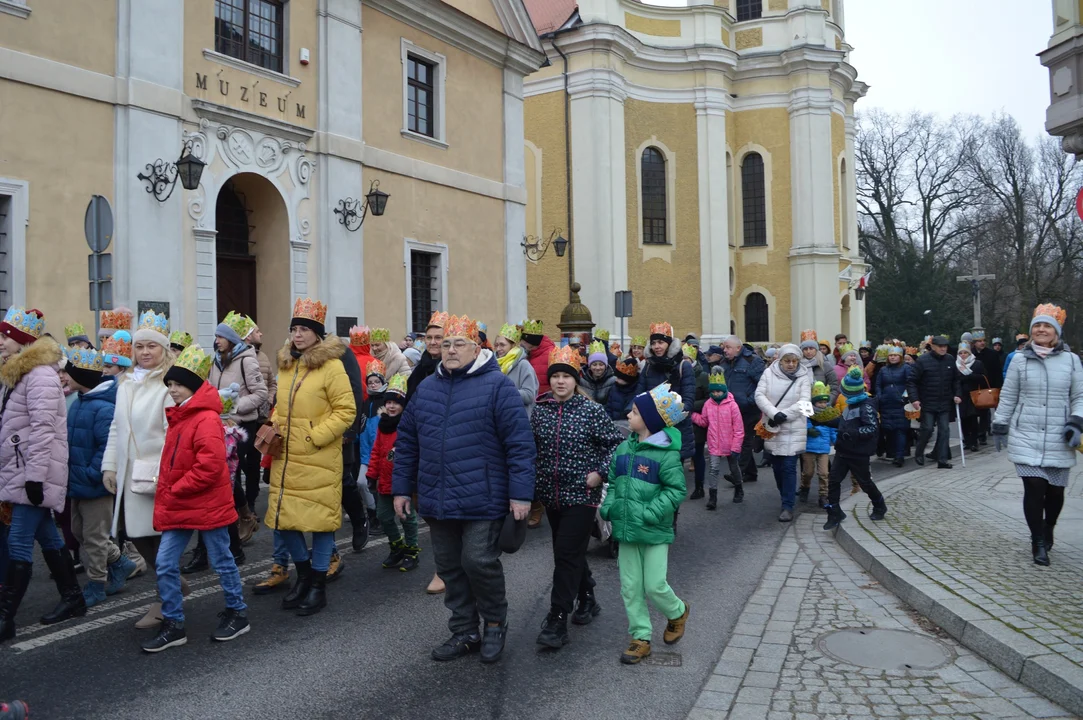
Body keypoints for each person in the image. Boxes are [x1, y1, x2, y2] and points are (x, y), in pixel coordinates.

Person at [391, 314, 535, 665]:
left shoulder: (498, 386)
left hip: (484, 495)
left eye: (459, 344)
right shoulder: (426, 387)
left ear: (476, 348)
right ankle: (465, 630)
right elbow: (407, 442)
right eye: (446, 344)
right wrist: (401, 489)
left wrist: (520, 495)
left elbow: (519, 444)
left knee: (478, 560)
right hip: (437, 497)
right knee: (451, 567)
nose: (450, 350)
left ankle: (495, 622)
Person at [141, 345, 249, 652]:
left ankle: (238, 611)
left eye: (178, 384)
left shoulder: (205, 419)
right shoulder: (181, 416)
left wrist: (175, 488)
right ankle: (174, 623)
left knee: (222, 560)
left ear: (193, 385)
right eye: (170, 385)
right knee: (164, 563)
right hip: (182, 501)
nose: (172, 390)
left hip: (204, 502)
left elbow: (209, 466)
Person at [265, 298, 356, 617]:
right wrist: (274, 423)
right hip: (287, 456)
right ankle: (303, 576)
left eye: (303, 329)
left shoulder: (332, 367)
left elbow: (347, 411)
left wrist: (314, 435)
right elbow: (281, 404)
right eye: (293, 329)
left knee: (319, 525)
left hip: (318, 456)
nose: (297, 335)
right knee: (284, 521)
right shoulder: (286, 365)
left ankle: (317, 586)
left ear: (317, 334)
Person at [532, 346, 623, 649]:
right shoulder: (540, 410)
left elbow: (615, 446)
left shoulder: (591, 411)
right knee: (566, 551)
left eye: (565, 377)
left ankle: (557, 618)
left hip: (583, 494)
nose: (560, 382)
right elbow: (529, 449)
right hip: (551, 495)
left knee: (567, 554)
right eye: (555, 376)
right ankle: (587, 595)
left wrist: (599, 472)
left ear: (575, 380)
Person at [0, 309, 81, 643]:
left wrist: (34, 478)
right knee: (47, 536)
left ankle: (5, 618)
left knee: (18, 541)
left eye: (5, 337)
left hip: (31, 474)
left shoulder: (41, 376)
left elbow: (44, 429)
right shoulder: (18, 373)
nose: (1, 343)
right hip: (19, 470)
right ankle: (73, 597)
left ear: (22, 340)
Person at [601, 382, 690, 665]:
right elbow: (613, 481)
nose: (629, 415)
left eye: (635, 412)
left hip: (654, 530)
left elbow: (676, 490)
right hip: (626, 530)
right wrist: (609, 506)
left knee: (654, 585)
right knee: (630, 587)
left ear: (649, 421)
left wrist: (651, 512)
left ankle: (677, 612)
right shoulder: (623, 448)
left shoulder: (666, 455)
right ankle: (640, 637)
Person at [103, 310, 177, 629]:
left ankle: (165, 600)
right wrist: (110, 466)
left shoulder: (168, 386)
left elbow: (173, 434)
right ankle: (172, 586)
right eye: (140, 346)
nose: (145, 352)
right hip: (130, 476)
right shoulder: (126, 384)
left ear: (164, 350)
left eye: (152, 346)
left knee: (159, 539)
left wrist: (164, 471)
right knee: (136, 535)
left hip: (156, 475)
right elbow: (116, 429)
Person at [993, 304, 1083, 566]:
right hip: (1026, 433)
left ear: (1056, 332)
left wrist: (1077, 421)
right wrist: (1001, 423)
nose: (1042, 330)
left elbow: (1079, 396)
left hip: (1059, 435)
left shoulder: (1071, 361)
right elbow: (1009, 395)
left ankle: (1049, 527)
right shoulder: (1020, 359)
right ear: (1032, 331)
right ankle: (1037, 541)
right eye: (1037, 326)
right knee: (1034, 487)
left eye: (1047, 326)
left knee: (1055, 492)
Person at [64, 347, 135, 607]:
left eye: (68, 374)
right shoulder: (79, 402)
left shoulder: (103, 408)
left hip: (95, 484)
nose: (64, 377)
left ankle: (97, 584)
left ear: (81, 377)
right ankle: (119, 561)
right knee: (78, 531)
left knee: (94, 537)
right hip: (78, 482)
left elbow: (108, 447)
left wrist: (93, 474)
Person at [209, 311, 267, 544]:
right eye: (216, 336)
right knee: (224, 472)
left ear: (232, 339)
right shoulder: (215, 360)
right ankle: (240, 515)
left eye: (221, 337)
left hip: (243, 425)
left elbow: (261, 394)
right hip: (219, 423)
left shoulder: (247, 360)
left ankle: (240, 516)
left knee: (231, 471)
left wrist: (235, 407)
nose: (217, 341)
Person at [821, 367, 888, 530]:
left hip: (858, 453)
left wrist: (851, 433)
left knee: (865, 482)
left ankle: (879, 504)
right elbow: (843, 423)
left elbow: (872, 428)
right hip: (843, 451)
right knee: (834, 480)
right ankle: (834, 511)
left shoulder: (866, 406)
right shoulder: (849, 406)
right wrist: (822, 420)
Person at [367, 375, 420, 571]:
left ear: (403, 406)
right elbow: (376, 451)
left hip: (403, 481)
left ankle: (411, 550)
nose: (391, 406)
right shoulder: (382, 425)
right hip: (384, 481)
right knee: (383, 516)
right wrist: (372, 474)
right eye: (388, 402)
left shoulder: (407, 425)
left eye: (395, 403)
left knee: (407, 518)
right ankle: (397, 545)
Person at [755, 343, 812, 522]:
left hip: (794, 428)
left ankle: (787, 506)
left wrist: (784, 415)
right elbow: (759, 395)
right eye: (787, 361)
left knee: (788, 467)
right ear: (781, 360)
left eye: (794, 361)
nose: (791, 364)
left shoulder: (804, 376)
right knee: (778, 468)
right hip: (773, 427)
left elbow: (805, 402)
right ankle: (785, 496)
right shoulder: (768, 373)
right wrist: (774, 413)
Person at [636, 323, 696, 463]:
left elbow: (688, 400)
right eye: (653, 343)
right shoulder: (648, 367)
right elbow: (640, 394)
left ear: (669, 344)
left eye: (661, 342)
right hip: (652, 429)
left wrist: (669, 416)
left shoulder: (683, 366)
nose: (656, 346)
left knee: (672, 475)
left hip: (675, 429)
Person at [691, 368, 745, 508]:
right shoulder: (708, 404)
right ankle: (713, 497)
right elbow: (704, 421)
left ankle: (739, 488)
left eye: (718, 391)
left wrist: (736, 446)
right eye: (713, 392)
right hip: (714, 443)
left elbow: (739, 429)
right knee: (713, 469)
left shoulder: (733, 406)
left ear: (724, 390)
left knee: (734, 468)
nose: (716, 394)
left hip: (730, 443)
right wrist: (692, 416)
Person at [907, 335, 961, 469]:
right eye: (940, 346)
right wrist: (914, 399)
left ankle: (942, 460)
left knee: (944, 430)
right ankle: (919, 451)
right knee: (927, 429)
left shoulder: (950, 359)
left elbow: (956, 380)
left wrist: (958, 394)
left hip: (944, 401)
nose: (943, 349)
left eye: (945, 346)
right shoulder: (923, 360)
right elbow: (912, 381)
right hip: (928, 401)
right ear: (933, 347)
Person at [721, 336, 766, 485]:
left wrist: (749, 401)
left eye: (728, 347)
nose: (724, 350)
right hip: (732, 409)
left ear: (738, 348)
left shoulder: (753, 361)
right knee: (740, 439)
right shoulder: (724, 363)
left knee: (744, 440)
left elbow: (763, 385)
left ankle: (737, 473)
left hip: (749, 410)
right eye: (724, 347)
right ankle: (751, 472)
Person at [799, 382, 837, 508]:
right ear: (814, 402)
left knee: (824, 473)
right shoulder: (808, 413)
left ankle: (823, 495)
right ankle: (805, 487)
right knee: (808, 472)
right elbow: (803, 422)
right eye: (819, 402)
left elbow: (833, 430)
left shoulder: (829, 414)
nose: (822, 404)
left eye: (824, 402)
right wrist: (808, 429)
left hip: (824, 449)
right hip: (809, 447)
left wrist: (837, 442)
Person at [874, 345, 911, 467]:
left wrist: (905, 397)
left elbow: (910, 384)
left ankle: (899, 456)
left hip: (900, 403)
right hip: (886, 403)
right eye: (891, 355)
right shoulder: (883, 370)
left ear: (900, 357)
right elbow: (878, 384)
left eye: (895, 355)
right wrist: (880, 396)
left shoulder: (906, 368)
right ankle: (890, 452)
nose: (893, 357)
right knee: (888, 428)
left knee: (900, 429)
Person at [493, 323, 538, 412]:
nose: (498, 349)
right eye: (496, 345)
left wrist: (505, 391)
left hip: (519, 416)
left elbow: (529, 396)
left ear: (513, 345)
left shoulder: (523, 365)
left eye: (502, 345)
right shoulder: (494, 364)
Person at [685, 343, 710, 499]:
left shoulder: (702, 376)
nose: (684, 361)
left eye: (687, 358)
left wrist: (690, 406)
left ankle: (699, 487)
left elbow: (709, 398)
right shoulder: (678, 373)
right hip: (680, 419)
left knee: (698, 454)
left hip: (696, 420)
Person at [406, 311, 447, 403]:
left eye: (438, 338)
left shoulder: (451, 369)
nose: (432, 342)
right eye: (429, 338)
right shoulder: (419, 369)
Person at [970, 330, 1001, 445]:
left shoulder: (992, 354)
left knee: (984, 411)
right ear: (974, 343)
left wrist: (999, 387)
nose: (982, 343)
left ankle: (982, 433)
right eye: (979, 341)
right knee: (973, 413)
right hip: (974, 386)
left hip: (988, 386)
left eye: (983, 341)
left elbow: (997, 371)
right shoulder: (971, 354)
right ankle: (973, 434)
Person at [954, 342, 986, 453]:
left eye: (965, 353)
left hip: (973, 393)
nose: (963, 355)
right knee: (963, 419)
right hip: (961, 394)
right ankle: (966, 440)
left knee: (972, 418)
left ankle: (974, 441)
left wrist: (969, 375)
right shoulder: (956, 365)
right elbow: (955, 380)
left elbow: (982, 377)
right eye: (961, 353)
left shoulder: (977, 363)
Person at [799, 330, 839, 404]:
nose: (808, 351)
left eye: (811, 348)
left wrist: (827, 402)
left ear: (816, 349)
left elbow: (834, 386)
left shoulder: (825, 364)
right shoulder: (798, 365)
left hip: (822, 406)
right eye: (805, 349)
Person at [521, 319, 556, 398]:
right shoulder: (528, 354)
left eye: (523, 343)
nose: (520, 344)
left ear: (530, 343)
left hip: (547, 400)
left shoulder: (552, 354)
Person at [580, 341, 616, 406]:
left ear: (606, 366)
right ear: (589, 366)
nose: (598, 368)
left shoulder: (613, 381)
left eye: (601, 364)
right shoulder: (581, 380)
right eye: (594, 364)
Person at [606, 357, 639, 423]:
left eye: (619, 378)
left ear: (627, 379)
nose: (616, 380)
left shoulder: (636, 391)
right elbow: (609, 408)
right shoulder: (614, 388)